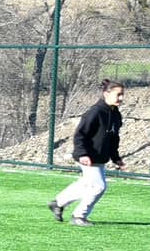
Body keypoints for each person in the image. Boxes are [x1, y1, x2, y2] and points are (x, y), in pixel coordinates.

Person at [49, 80, 126, 227]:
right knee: (98, 187)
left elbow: (113, 138)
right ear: (106, 94)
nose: (121, 98)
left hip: (99, 158)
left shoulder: (116, 115)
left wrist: (116, 158)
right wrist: (83, 154)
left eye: (122, 95)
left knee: (86, 185)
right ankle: (79, 216)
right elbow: (80, 135)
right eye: (118, 94)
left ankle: (58, 203)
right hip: (87, 156)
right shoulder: (95, 112)